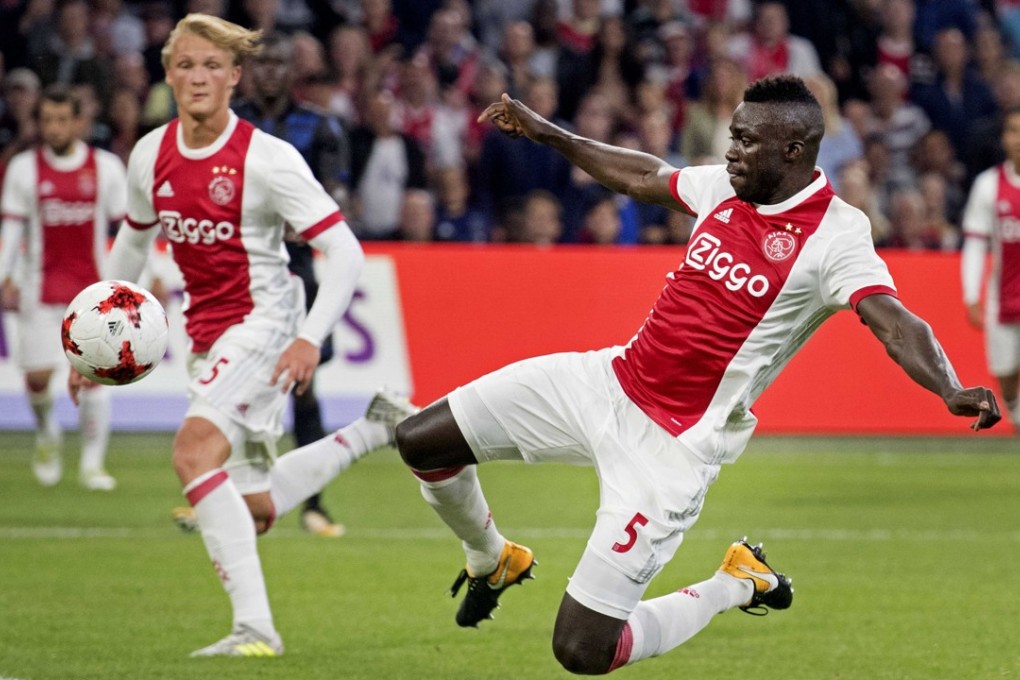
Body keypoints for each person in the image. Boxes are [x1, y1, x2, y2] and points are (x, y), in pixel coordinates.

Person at [394, 75, 1001, 675]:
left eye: (745, 140)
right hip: (607, 381)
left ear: (792, 150)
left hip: (671, 449)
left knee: (582, 651)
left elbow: (893, 321)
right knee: (419, 439)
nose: (730, 149)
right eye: (732, 136)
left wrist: (948, 386)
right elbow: (642, 174)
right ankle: (491, 556)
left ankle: (736, 583)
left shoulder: (837, 235)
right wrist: (547, 134)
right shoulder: (724, 187)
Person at [67, 14, 416, 657]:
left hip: (265, 321)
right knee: (251, 506)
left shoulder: (269, 158)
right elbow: (132, 249)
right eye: (185, 66)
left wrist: (310, 335)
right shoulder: (151, 153)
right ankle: (375, 426)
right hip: (207, 333)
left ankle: (255, 631)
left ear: (234, 78)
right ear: (169, 75)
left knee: (193, 455)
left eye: (211, 66)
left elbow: (343, 250)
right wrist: (92, 344)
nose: (197, 77)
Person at [233, 31, 351, 538]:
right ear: (247, 70)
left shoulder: (319, 125)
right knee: (232, 383)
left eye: (278, 63)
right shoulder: (231, 123)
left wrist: (292, 219)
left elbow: (332, 195)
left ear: (292, 70)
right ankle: (223, 497)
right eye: (260, 64)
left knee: (303, 389)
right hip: (240, 267)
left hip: (296, 270)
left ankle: (313, 504)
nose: (269, 72)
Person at [0, 84, 126, 491]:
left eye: (61, 119)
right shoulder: (24, 168)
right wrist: (4, 277)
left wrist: (139, 277)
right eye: (47, 120)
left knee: (95, 376)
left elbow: (127, 228)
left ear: (78, 121)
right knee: (37, 378)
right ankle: (46, 434)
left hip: (94, 297)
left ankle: (92, 464)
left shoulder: (105, 167)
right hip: (40, 290)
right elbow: (12, 229)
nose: (54, 128)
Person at [961, 106, 1020, 429]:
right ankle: (1016, 414)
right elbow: (975, 243)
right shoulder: (988, 185)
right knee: (1006, 372)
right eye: (1013, 130)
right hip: (1004, 298)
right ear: (1004, 138)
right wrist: (971, 293)